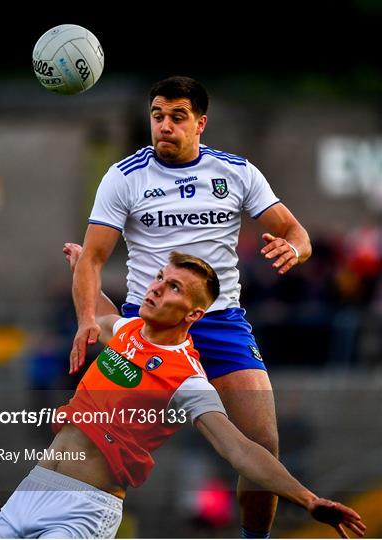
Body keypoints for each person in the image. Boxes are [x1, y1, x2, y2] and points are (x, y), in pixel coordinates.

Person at [69, 75, 313, 538]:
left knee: (263, 443)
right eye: (158, 116)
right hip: (148, 327)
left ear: (200, 123)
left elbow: (295, 233)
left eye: (177, 117)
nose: (165, 126)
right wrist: (86, 319)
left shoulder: (236, 172)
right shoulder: (124, 176)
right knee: (96, 442)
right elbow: (93, 258)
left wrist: (293, 251)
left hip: (220, 324)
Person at [0, 249, 365, 539]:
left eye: (174, 288)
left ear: (193, 314)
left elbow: (241, 449)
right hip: (32, 489)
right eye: (161, 279)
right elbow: (99, 310)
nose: (157, 288)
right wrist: (84, 268)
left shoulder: (188, 378)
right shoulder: (128, 330)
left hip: (82, 508)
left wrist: (308, 498)